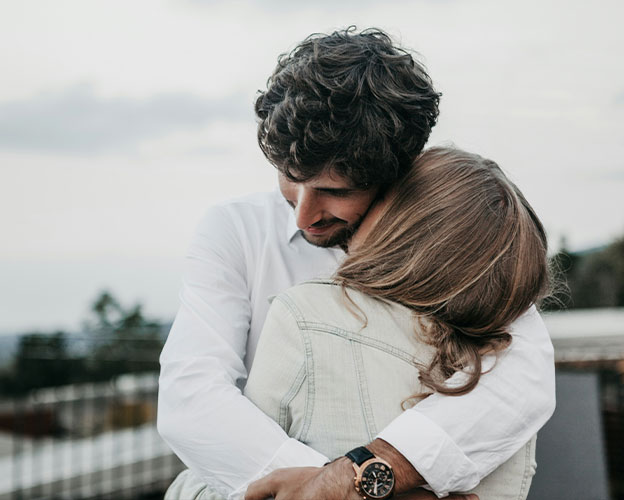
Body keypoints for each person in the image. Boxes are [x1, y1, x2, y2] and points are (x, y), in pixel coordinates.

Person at [157, 27, 555, 500]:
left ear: (396, 174)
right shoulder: (234, 229)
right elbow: (190, 397)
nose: (303, 214)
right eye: (289, 176)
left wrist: (358, 478)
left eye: (335, 191)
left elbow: (523, 373)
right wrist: (353, 487)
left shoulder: (452, 231)